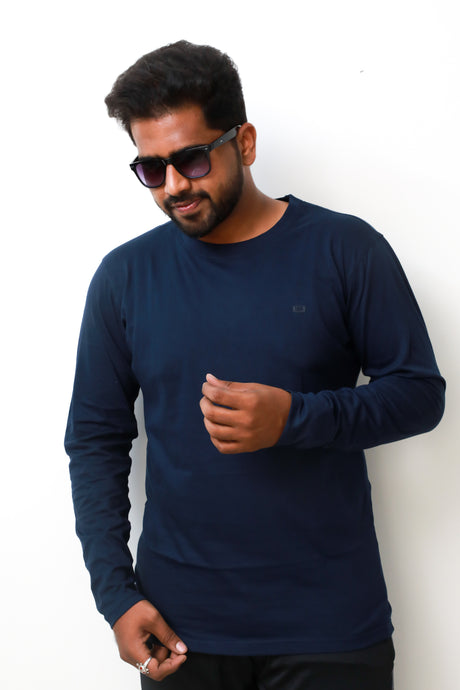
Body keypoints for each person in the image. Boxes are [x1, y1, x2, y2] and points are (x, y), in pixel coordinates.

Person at [65, 40, 445, 690]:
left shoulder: (346, 249)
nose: (174, 186)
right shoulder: (125, 277)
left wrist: (295, 418)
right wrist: (116, 596)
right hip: (180, 632)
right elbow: (95, 440)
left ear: (243, 142)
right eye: (151, 169)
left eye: (190, 159)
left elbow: (418, 394)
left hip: (330, 630)